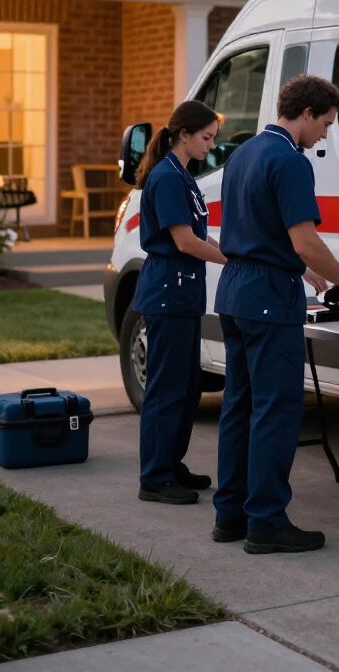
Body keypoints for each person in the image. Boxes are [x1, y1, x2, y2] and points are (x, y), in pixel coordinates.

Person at [212, 75, 339, 553]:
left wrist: (304, 270)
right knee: (276, 411)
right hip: (268, 298)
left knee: (239, 407)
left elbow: (258, 227)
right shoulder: (290, 161)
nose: (325, 135)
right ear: (306, 113)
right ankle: (266, 522)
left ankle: (230, 516)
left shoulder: (243, 153)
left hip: (234, 291)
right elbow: (305, 240)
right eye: (325, 124)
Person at [132, 100, 226, 505]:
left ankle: (171, 463)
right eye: (206, 137)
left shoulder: (182, 175)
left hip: (183, 296)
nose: (211, 145)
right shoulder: (167, 177)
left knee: (187, 388)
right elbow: (185, 242)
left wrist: (230, 249)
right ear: (183, 134)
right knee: (167, 388)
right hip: (167, 295)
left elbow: (199, 234)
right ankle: (155, 477)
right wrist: (234, 261)